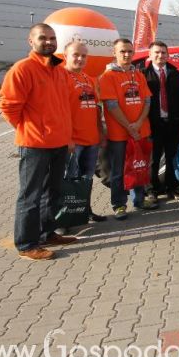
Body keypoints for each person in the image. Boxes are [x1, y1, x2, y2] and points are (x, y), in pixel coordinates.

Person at [0, 23, 77, 260]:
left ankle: (47, 232)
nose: (49, 42)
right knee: (30, 196)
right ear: (31, 41)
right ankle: (26, 244)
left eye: (52, 38)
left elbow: (64, 108)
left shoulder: (60, 70)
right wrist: (30, 129)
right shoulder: (23, 69)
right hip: (34, 145)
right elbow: (8, 106)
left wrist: (68, 136)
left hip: (60, 143)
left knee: (52, 191)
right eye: (43, 38)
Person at [99, 38, 157, 219]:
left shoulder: (138, 75)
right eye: (122, 51)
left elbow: (147, 101)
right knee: (119, 171)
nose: (126, 54)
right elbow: (111, 105)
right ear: (114, 53)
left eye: (130, 51)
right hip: (119, 134)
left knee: (139, 167)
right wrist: (129, 126)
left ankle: (139, 200)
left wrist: (138, 123)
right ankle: (118, 204)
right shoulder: (107, 77)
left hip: (141, 131)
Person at [63, 40, 107, 223]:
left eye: (83, 55)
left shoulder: (89, 79)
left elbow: (96, 108)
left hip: (91, 140)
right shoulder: (60, 77)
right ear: (65, 56)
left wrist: (101, 133)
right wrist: (67, 138)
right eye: (76, 55)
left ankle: (84, 211)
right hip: (73, 141)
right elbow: (58, 111)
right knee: (69, 181)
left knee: (86, 180)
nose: (80, 59)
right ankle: (64, 217)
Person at [142, 41, 179, 203]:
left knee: (171, 158)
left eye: (163, 52)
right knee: (153, 160)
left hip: (172, 124)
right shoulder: (143, 75)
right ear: (150, 55)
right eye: (157, 52)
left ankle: (171, 187)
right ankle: (151, 190)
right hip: (153, 124)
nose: (160, 55)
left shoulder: (176, 74)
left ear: (168, 55)